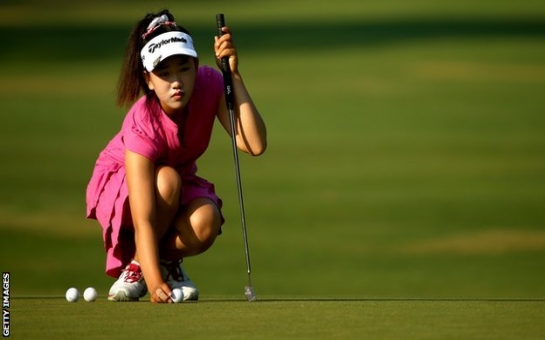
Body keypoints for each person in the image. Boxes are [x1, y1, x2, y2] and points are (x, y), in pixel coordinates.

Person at [85, 9, 267, 303]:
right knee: (167, 180)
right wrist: (155, 284)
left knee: (207, 221)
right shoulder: (141, 120)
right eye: (164, 73)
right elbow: (144, 218)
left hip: (174, 180)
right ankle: (140, 266)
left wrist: (233, 75)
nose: (177, 81)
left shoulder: (210, 84)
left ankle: (162, 261)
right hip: (124, 183)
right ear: (148, 79)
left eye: (184, 68)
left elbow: (254, 144)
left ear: (196, 66)